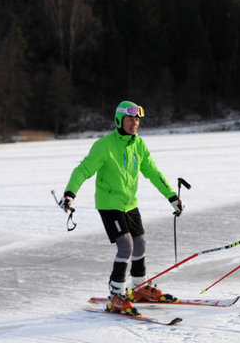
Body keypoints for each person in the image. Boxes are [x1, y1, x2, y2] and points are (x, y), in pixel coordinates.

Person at [58, 101, 183, 314]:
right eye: (130, 119)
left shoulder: (139, 145)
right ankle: (116, 295)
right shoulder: (104, 145)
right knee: (126, 246)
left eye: (137, 120)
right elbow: (83, 170)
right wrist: (70, 193)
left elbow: (152, 171)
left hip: (129, 203)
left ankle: (140, 288)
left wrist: (171, 196)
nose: (134, 123)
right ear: (119, 120)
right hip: (109, 204)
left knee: (140, 244)